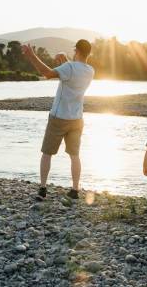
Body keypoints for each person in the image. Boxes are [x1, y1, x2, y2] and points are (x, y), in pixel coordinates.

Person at [22, 39, 95, 200]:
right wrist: (65, 60)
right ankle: (75, 190)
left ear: (76, 50)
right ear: (89, 53)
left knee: (47, 153)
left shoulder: (69, 68)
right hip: (77, 119)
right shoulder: (90, 71)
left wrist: (31, 55)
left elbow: (47, 73)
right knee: (75, 155)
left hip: (59, 117)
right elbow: (74, 72)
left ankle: (42, 188)